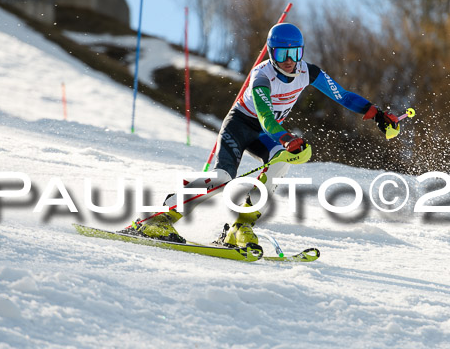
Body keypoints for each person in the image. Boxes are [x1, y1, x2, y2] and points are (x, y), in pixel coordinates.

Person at [130, 23, 401, 249]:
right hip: (241, 125)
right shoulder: (262, 75)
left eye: (294, 53)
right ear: (271, 53)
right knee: (223, 178)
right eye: (282, 54)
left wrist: (376, 114)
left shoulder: (308, 72)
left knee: (281, 162)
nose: (289, 61)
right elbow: (264, 116)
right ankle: (157, 217)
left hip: (269, 134)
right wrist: (286, 138)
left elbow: (342, 95)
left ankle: (240, 227)